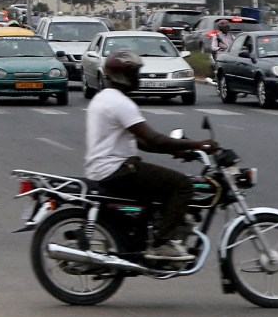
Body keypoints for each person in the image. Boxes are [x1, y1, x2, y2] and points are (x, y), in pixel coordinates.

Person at [86, 51, 218, 261]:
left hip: (103, 169)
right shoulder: (121, 103)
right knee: (182, 185)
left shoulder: (102, 98)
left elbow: (141, 142)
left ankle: (150, 234)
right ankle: (161, 243)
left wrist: (178, 150)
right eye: (135, 73)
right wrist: (198, 144)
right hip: (118, 170)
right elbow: (154, 139)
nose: (139, 77)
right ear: (124, 75)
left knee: (160, 186)